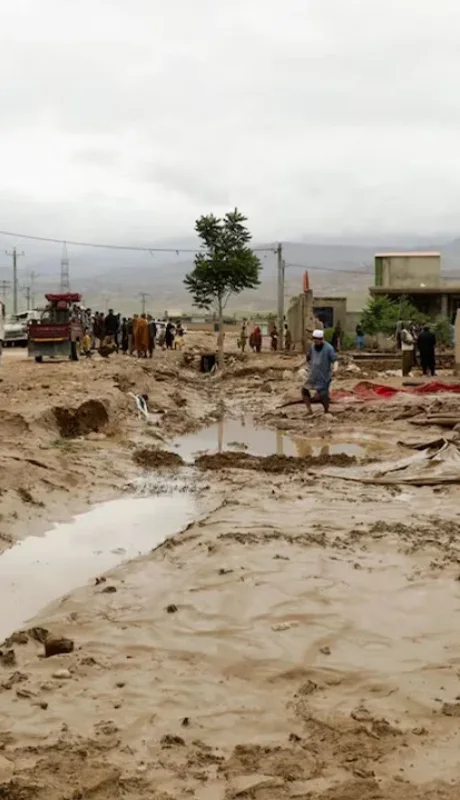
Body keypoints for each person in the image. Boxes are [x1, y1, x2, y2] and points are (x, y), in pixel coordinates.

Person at [302, 329, 337, 414]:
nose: (315, 341)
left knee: (323, 395)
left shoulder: (329, 348)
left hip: (324, 376)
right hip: (313, 375)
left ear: (321, 339)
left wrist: (335, 369)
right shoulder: (312, 347)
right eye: (314, 339)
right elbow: (308, 358)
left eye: (317, 340)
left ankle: (326, 410)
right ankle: (309, 410)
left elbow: (335, 360)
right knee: (304, 390)